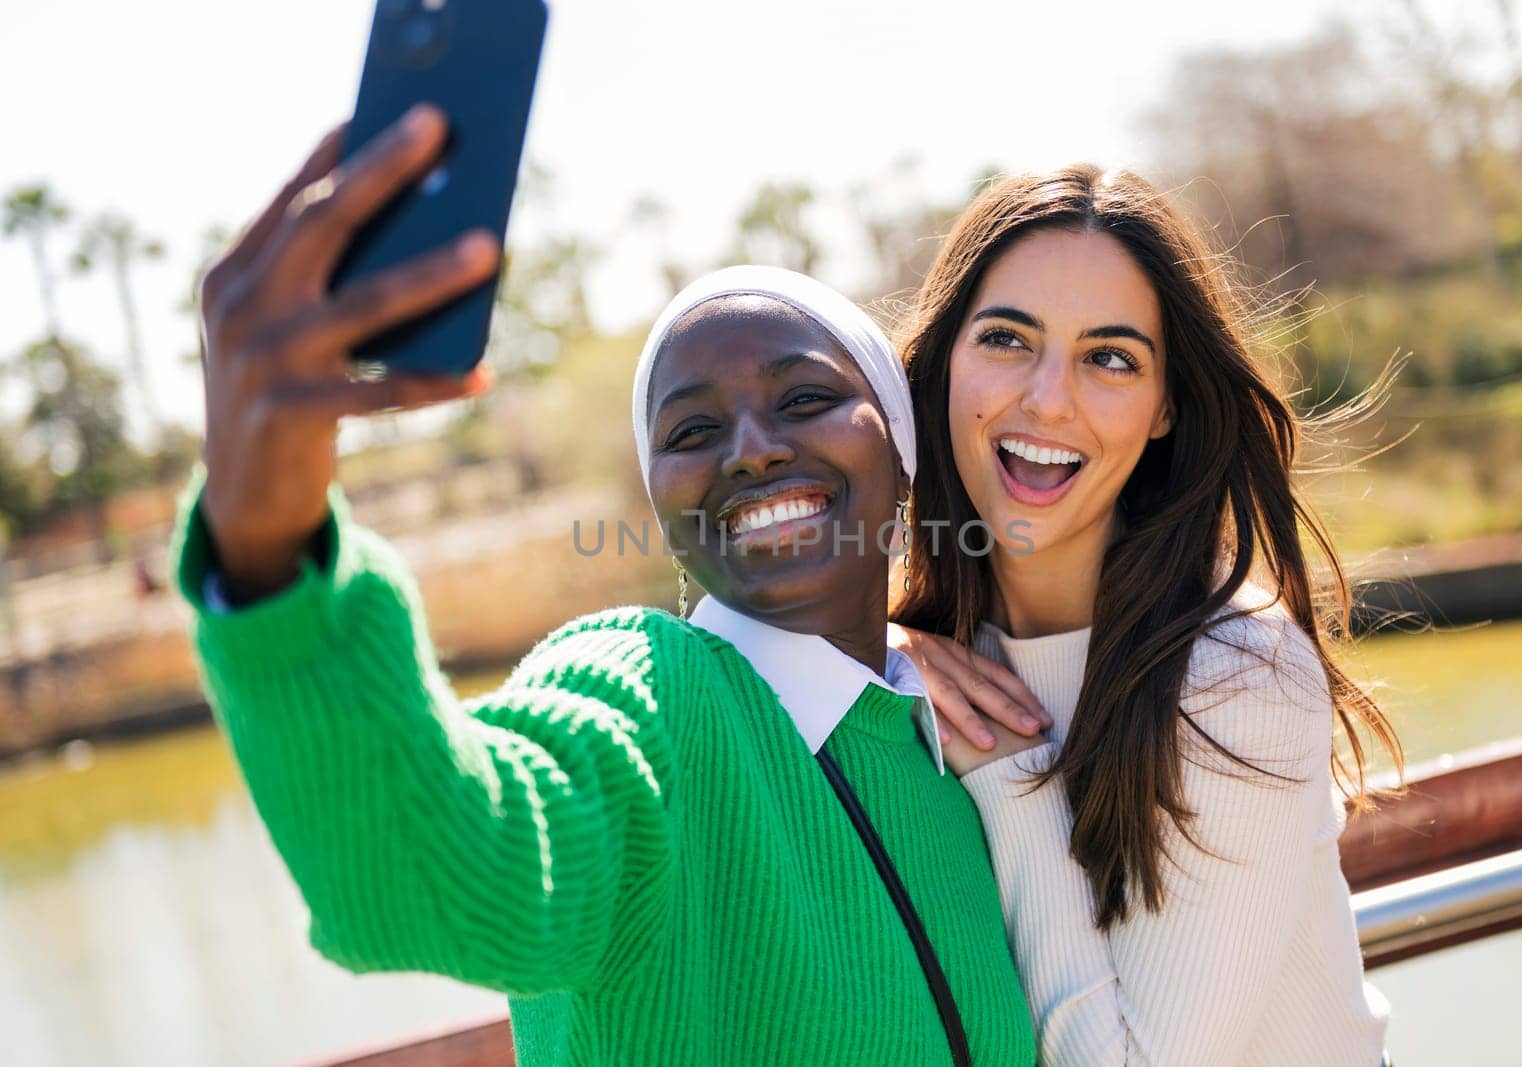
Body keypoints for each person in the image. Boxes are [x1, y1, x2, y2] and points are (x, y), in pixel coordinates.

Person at [174, 105, 1038, 1066]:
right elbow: (432, 867)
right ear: (664, 504)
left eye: (804, 399)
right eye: (692, 432)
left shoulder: (952, 740)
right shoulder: (653, 701)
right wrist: (263, 540)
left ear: (902, 452)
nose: (751, 452)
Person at [889, 164, 1403, 1065]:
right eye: (1008, 338)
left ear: (1166, 406)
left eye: (1110, 357)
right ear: (943, 365)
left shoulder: (1240, 672)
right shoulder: (918, 657)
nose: (1048, 397)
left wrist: (1012, 773)